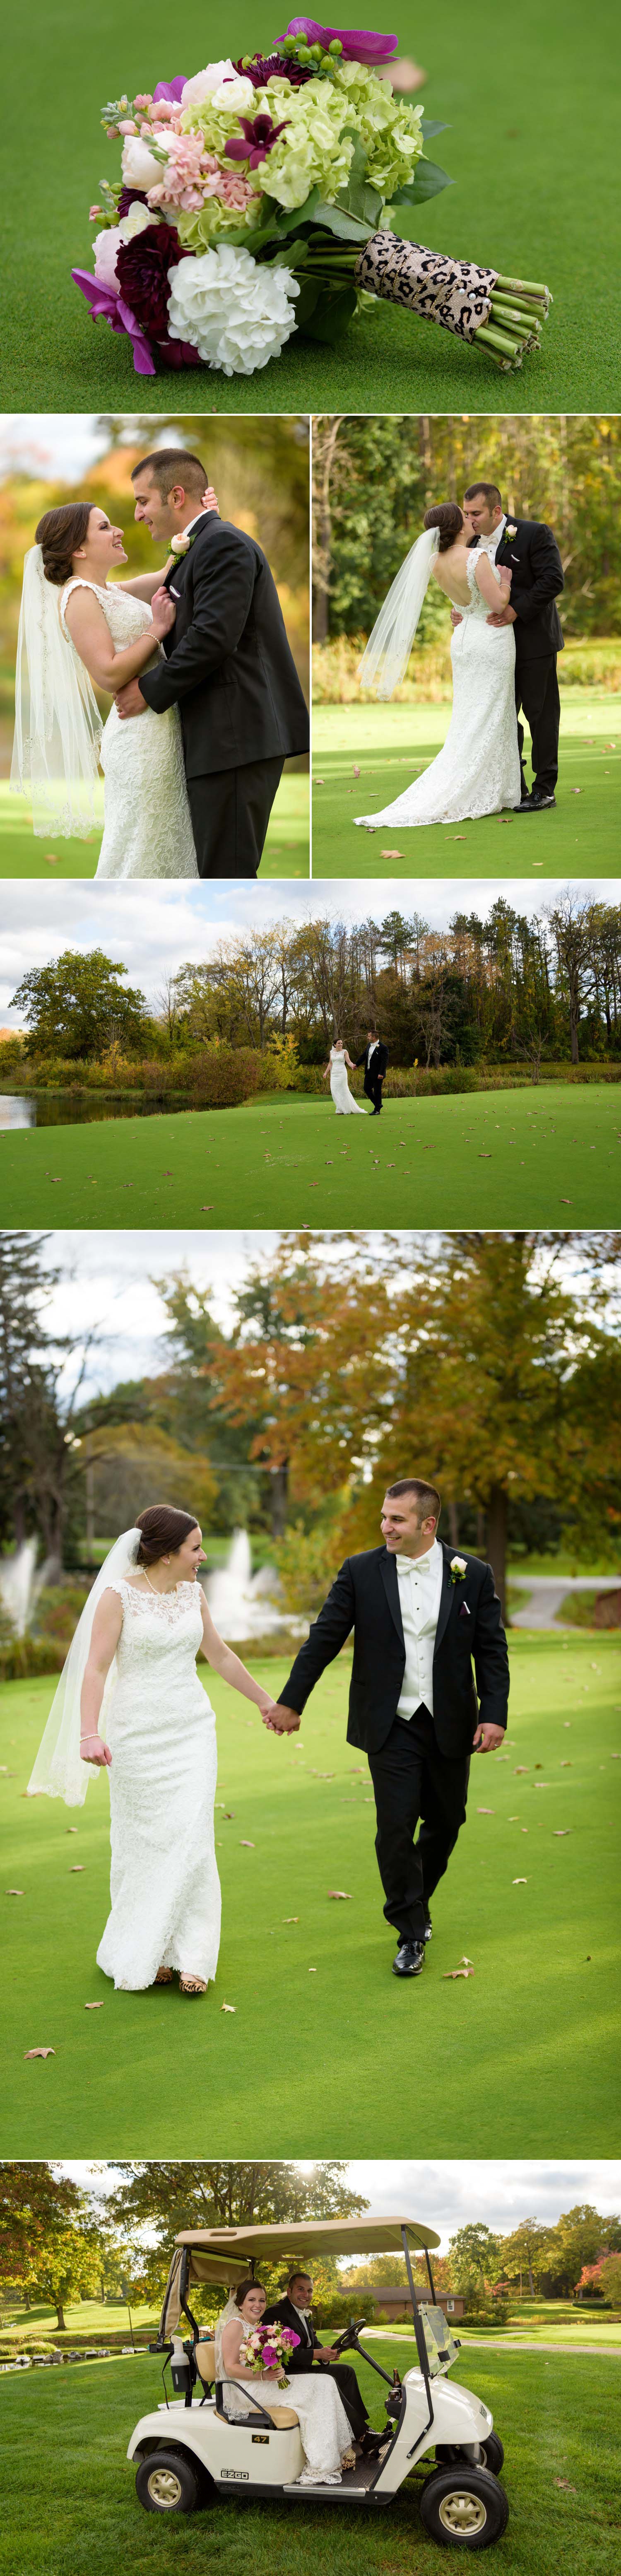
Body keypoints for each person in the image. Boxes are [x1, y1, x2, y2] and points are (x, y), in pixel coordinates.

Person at [27, 1505, 280, 1995]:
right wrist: (87, 1732)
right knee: (143, 1843)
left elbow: (220, 1654)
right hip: (136, 1734)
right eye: (196, 1547)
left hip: (191, 1730)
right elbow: (96, 1668)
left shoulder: (194, 1593)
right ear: (166, 1554)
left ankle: (193, 1958)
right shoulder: (117, 1596)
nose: (203, 1556)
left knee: (192, 1838)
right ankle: (150, 1950)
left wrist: (266, 1702)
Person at [266, 1477, 509, 1979]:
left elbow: (491, 1649)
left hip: (451, 1721)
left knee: (447, 1820)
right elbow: (325, 1637)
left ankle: (416, 1900)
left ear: (428, 1524)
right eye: (384, 1516)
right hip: (390, 1721)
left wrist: (494, 1712)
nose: (386, 1526)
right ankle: (410, 1931)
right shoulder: (360, 1571)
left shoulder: (473, 1573)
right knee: (395, 1825)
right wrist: (292, 1701)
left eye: (397, 1519)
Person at [115, 449, 310, 879]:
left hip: (236, 737)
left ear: (177, 495)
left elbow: (213, 637)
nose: (138, 513)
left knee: (228, 873)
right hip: (221, 740)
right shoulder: (200, 546)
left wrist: (146, 690)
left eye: (143, 500)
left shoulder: (221, 543)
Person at [10, 492, 219, 872]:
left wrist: (201, 520)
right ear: (79, 549)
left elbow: (165, 575)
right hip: (140, 742)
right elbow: (107, 674)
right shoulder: (77, 597)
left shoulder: (109, 591)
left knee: (168, 849)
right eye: (105, 527)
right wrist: (156, 630)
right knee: (141, 851)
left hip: (162, 730)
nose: (119, 531)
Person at [354, 501, 522, 829]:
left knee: (470, 716)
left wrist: (464, 609)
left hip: (462, 640)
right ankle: (483, 789)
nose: (470, 519)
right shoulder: (477, 558)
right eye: (465, 516)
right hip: (490, 640)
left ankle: (493, 787)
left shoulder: (434, 561)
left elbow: (462, 602)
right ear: (459, 527)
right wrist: (507, 580)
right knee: (492, 713)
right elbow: (498, 603)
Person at [456, 480, 564, 812]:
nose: (470, 519)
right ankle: (513, 786)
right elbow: (472, 590)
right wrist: (463, 610)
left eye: (476, 513)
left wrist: (517, 611)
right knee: (502, 717)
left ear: (496, 511)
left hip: (533, 642)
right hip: (492, 649)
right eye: (466, 513)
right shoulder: (469, 543)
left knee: (540, 716)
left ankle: (544, 789)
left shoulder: (534, 533)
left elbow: (553, 581)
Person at [217, 2280, 355, 2485]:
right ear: (240, 2304)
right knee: (322, 2385)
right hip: (249, 2389)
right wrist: (263, 2376)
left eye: (262, 2300)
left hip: (266, 2382)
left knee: (325, 2382)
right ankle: (322, 2464)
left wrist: (275, 2364)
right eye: (252, 2300)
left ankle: (335, 2453)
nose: (258, 2305)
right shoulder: (235, 2326)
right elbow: (231, 2367)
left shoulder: (258, 2326)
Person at [263, 2272, 386, 2456]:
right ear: (289, 2291)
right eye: (301, 2290)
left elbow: (314, 2342)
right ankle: (364, 2436)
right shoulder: (276, 2314)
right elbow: (283, 2354)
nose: (306, 2295)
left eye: (310, 2291)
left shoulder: (304, 2313)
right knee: (328, 2381)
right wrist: (317, 2354)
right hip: (288, 2376)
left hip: (305, 2369)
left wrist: (325, 2355)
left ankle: (358, 2432)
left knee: (346, 2372)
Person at [323, 1036, 367, 1115]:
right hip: (334, 1074)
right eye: (339, 1043)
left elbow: (349, 1062)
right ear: (335, 1045)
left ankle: (344, 1109)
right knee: (334, 1091)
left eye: (341, 1043)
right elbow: (330, 1063)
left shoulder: (345, 1052)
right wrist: (326, 1073)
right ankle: (340, 1108)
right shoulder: (331, 1052)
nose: (341, 1045)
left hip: (342, 1073)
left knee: (343, 1090)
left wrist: (353, 1066)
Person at [355, 1028, 389, 1115]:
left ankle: (377, 1110)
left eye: (369, 1036)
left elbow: (384, 1062)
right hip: (369, 1072)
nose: (368, 1038)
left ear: (374, 1037)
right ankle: (378, 1104)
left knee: (377, 1091)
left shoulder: (383, 1047)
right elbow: (364, 1056)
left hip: (378, 1074)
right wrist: (357, 1065)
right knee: (366, 1088)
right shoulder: (369, 1045)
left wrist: (381, 1073)